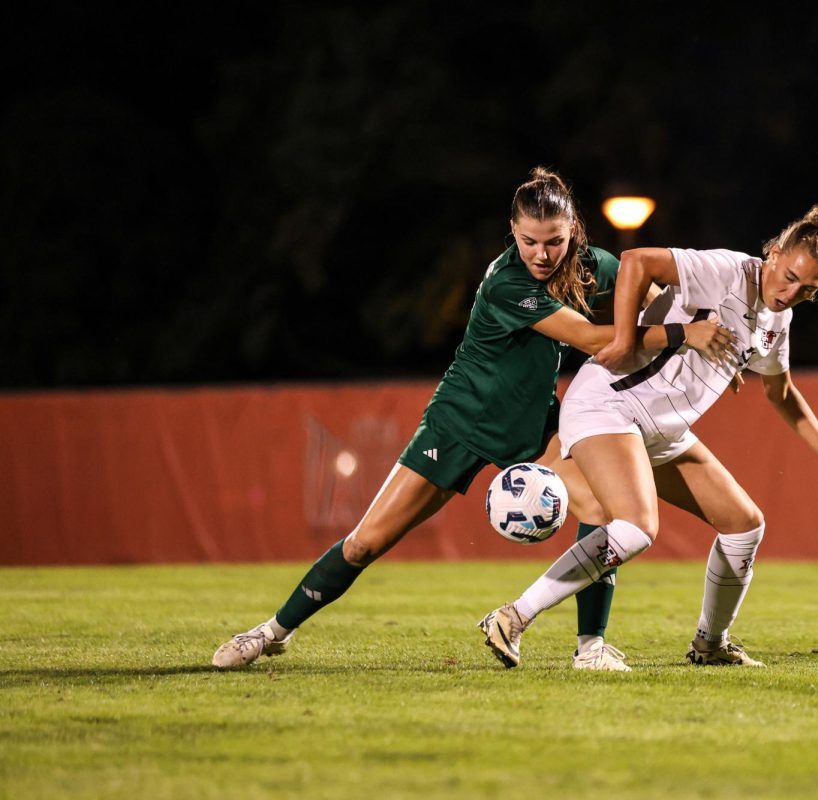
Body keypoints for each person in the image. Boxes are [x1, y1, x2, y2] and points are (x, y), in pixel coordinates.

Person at [211, 168, 734, 672]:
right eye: (529, 241)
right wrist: (683, 337)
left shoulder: (591, 265)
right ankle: (272, 631)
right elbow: (598, 341)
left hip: (536, 425)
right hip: (461, 420)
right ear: (513, 232)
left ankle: (591, 646)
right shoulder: (509, 283)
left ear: (572, 230)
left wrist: (708, 331)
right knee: (366, 542)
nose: (541, 254)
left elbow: (651, 294)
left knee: (600, 509)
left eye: (553, 240)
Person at [479, 203, 818, 670]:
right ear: (773, 253)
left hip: (661, 429)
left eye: (808, 289)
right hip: (609, 404)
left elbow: (781, 392)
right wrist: (626, 339)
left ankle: (710, 644)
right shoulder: (728, 270)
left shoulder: (778, 320)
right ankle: (512, 617)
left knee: (744, 524)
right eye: (789, 276)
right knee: (636, 528)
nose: (791, 292)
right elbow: (636, 262)